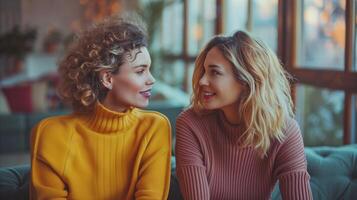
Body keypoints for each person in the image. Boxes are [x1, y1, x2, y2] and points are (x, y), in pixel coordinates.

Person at [30, 13, 171, 200]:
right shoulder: (50, 135)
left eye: (149, 69)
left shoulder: (154, 129)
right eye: (140, 71)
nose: (151, 80)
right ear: (107, 78)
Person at [175, 30, 312, 199]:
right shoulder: (190, 124)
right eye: (204, 71)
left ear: (247, 81)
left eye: (215, 72)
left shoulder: (285, 131)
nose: (202, 81)